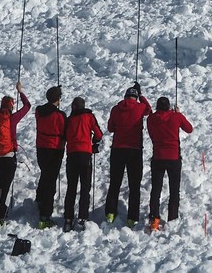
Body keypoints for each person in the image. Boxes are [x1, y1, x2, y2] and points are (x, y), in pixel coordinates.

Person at [105, 82, 151, 227]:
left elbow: (111, 128)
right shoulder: (140, 107)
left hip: (118, 149)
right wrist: (142, 95)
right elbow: (149, 109)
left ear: (125, 96)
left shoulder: (116, 109)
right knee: (134, 185)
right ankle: (132, 217)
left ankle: (110, 213)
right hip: (134, 150)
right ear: (136, 97)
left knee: (115, 183)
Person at [0, 82, 31, 224]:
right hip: (8, 155)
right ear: (11, 106)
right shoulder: (12, 118)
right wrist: (20, 92)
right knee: (7, 185)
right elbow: (27, 106)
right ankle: (1, 215)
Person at [147, 96, 193, 230]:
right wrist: (178, 114)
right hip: (173, 158)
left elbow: (152, 135)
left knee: (156, 190)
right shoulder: (175, 117)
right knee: (174, 190)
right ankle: (172, 218)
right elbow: (189, 129)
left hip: (158, 157)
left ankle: (154, 220)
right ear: (168, 106)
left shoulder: (151, 119)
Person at [62, 96, 103, 231]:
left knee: (71, 187)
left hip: (72, 155)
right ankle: (83, 217)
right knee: (85, 187)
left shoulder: (69, 120)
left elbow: (64, 136)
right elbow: (99, 134)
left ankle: (68, 218)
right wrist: (94, 143)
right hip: (85, 155)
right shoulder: (89, 117)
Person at [35, 85, 66, 229]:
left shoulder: (39, 111)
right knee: (51, 180)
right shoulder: (60, 116)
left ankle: (40, 199)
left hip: (41, 148)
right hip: (55, 150)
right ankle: (45, 214)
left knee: (45, 174)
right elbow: (64, 132)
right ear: (57, 99)